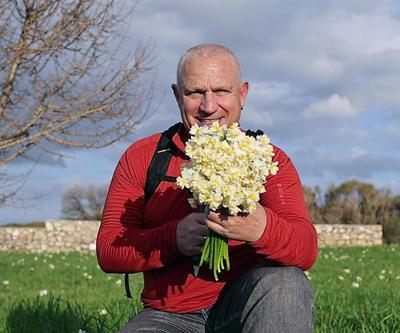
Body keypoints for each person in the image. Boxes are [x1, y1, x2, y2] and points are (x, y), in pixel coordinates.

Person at [96, 44, 318, 332]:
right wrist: (173, 239)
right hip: (170, 315)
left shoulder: (267, 158)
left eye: (222, 91)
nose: (209, 106)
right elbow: (109, 248)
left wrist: (261, 228)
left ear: (242, 93)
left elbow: (306, 248)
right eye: (195, 92)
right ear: (177, 95)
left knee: (287, 282)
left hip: (246, 306)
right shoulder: (144, 157)